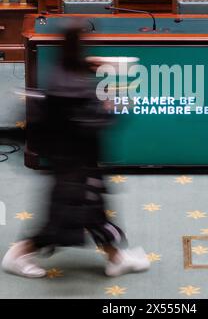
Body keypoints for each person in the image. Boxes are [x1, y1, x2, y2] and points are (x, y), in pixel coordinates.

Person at [2, 23, 150, 278]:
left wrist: (91, 67)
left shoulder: (62, 71)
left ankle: (117, 258)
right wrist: (112, 107)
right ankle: (16, 255)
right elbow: (90, 123)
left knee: (93, 213)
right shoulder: (75, 88)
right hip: (75, 166)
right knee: (63, 219)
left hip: (71, 162)